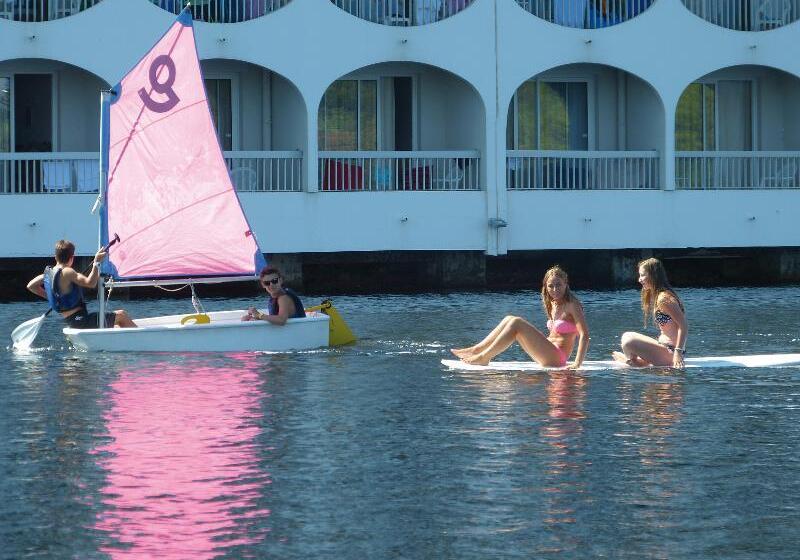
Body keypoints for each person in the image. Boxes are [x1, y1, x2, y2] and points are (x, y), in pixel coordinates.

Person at [451, 266, 589, 368]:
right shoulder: (553, 303)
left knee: (516, 322)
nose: (555, 289)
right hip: (547, 353)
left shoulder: (573, 305)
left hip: (557, 358)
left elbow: (584, 335)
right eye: (550, 286)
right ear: (546, 287)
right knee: (509, 319)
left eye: (558, 285)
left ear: (566, 284)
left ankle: (484, 357)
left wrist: (577, 363)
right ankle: (476, 350)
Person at [26, 239, 136, 329]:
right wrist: (96, 263)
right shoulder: (68, 272)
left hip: (72, 321)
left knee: (115, 324)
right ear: (72, 258)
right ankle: (140, 342)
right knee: (122, 315)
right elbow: (91, 283)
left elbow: (31, 286)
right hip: (81, 321)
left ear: (55, 257)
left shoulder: (47, 274)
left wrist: (52, 297)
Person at [613, 257, 687, 368]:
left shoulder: (664, 299)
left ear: (653, 275)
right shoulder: (659, 297)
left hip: (671, 352)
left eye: (642, 275)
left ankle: (633, 362)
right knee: (626, 335)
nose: (639, 279)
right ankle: (635, 361)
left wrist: (678, 353)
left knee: (628, 340)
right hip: (665, 349)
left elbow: (683, 325)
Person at [241, 266, 306, 325]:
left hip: (297, 331)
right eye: (267, 283)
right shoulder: (275, 297)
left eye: (274, 281)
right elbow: (275, 318)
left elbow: (281, 320)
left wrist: (259, 315)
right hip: (287, 331)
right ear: (263, 285)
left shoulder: (284, 298)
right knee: (247, 319)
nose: (271, 285)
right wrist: (255, 317)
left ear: (280, 280)